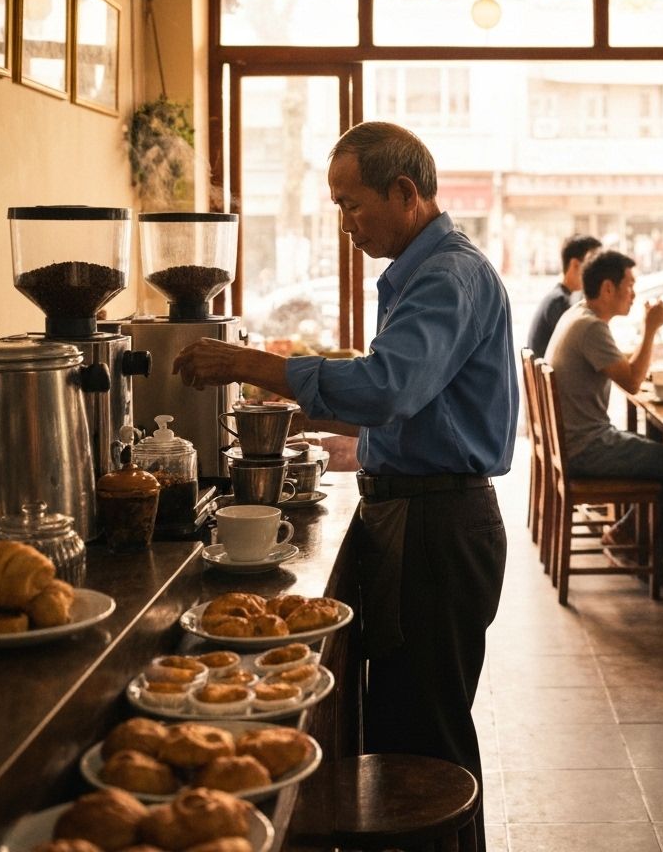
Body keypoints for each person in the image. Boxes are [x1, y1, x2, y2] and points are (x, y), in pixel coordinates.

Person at [172, 121, 517, 852]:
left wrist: (252, 364)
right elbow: (422, 406)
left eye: (352, 204)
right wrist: (356, 444)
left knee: (425, 736)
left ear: (405, 192)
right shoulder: (425, 271)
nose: (345, 223)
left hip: (438, 528)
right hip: (425, 513)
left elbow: (390, 384)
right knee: (410, 723)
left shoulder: (445, 274)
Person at [545, 249, 663, 563]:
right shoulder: (591, 327)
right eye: (629, 285)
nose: (634, 293)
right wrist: (651, 328)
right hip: (587, 448)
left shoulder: (578, 314)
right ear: (608, 288)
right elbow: (631, 382)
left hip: (573, 442)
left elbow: (618, 364)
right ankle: (642, 551)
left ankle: (629, 534)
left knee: (662, 451)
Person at [527, 233, 601, 357]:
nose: (598, 273)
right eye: (592, 265)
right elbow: (585, 349)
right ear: (575, 265)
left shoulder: (560, 297)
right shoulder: (558, 302)